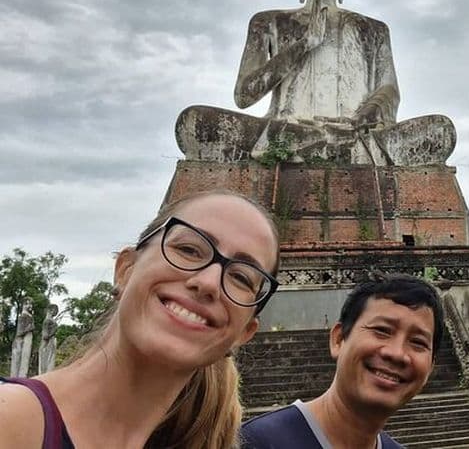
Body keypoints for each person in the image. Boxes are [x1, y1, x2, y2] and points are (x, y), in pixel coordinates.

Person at [0, 190, 281, 449]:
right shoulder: (10, 420)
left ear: (245, 333)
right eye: (189, 249)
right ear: (125, 269)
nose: (209, 282)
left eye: (241, 277)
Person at [175, 0, 456, 166]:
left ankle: (335, 148)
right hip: (286, 130)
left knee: (441, 130)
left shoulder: (374, 29)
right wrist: (304, 43)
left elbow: (389, 91)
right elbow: (244, 95)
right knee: (194, 123)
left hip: (357, 133)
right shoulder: (269, 22)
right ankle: (334, 151)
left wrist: (365, 116)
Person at [241, 273, 444, 449]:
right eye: (382, 330)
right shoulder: (256, 442)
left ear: (431, 367)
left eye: (418, 342)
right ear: (338, 339)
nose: (397, 353)